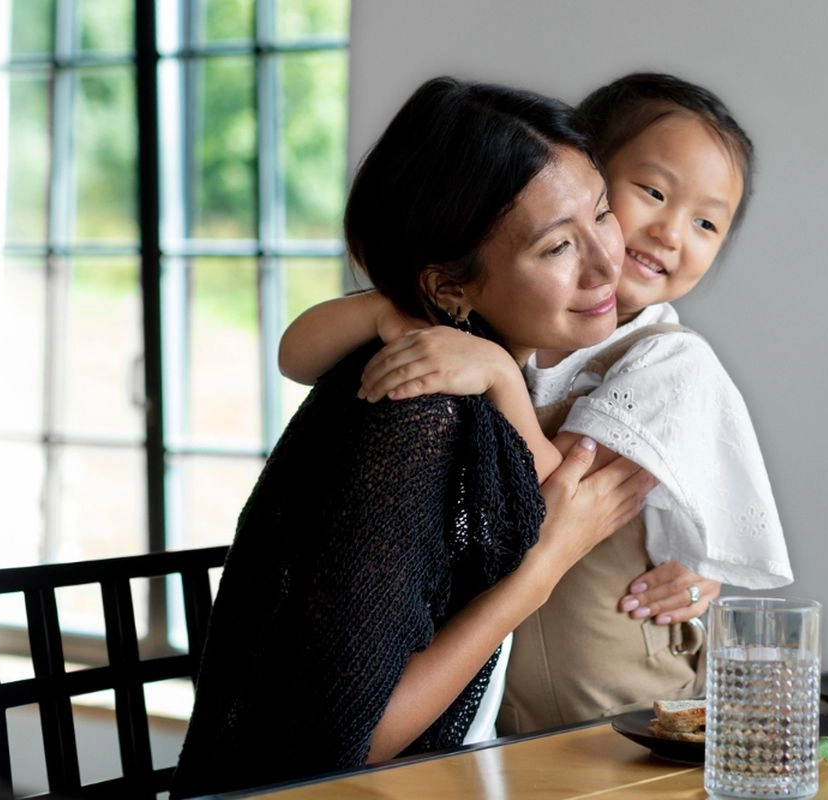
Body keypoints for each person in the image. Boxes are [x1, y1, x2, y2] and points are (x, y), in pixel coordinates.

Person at [168, 76, 657, 799]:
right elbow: (346, 746)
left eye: (603, 214)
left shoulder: (485, 392)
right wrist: (542, 569)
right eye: (557, 248)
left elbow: (560, 492)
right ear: (450, 289)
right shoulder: (414, 410)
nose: (607, 261)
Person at [277, 73, 793, 733]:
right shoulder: (501, 318)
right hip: (504, 699)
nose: (670, 233)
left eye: (706, 222)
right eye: (652, 194)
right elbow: (296, 354)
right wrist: (387, 310)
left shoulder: (668, 360)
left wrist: (497, 376)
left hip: (619, 691)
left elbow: (560, 499)